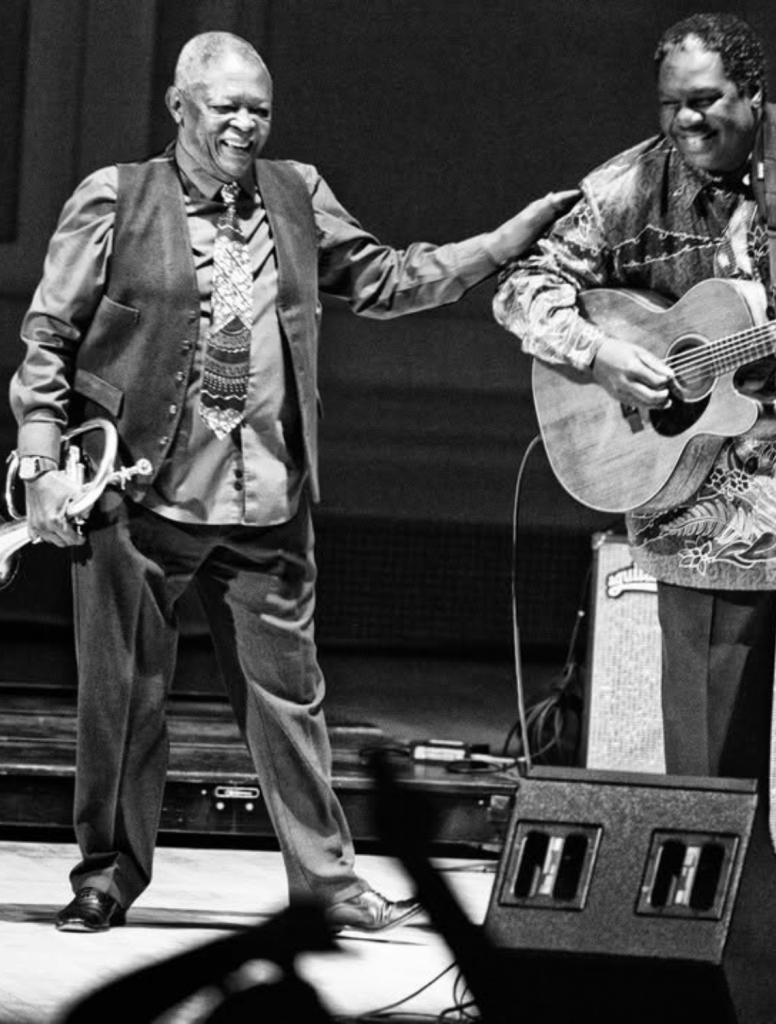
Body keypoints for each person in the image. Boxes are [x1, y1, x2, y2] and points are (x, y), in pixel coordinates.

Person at [10, 30, 577, 936]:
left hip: (265, 500)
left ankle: (330, 884)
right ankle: (106, 879)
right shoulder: (116, 197)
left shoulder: (296, 192)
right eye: (227, 105)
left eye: (259, 108)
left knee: (292, 703)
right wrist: (40, 460)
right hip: (140, 495)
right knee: (123, 698)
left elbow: (387, 279)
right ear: (179, 106)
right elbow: (49, 337)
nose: (245, 123)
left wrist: (500, 244)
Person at [493, 13, 776, 971]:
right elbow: (522, 288)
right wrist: (603, 352)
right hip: (698, 500)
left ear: (752, 92)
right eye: (670, 104)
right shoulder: (629, 183)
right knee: (706, 728)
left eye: (704, 102)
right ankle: (715, 899)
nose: (685, 123)